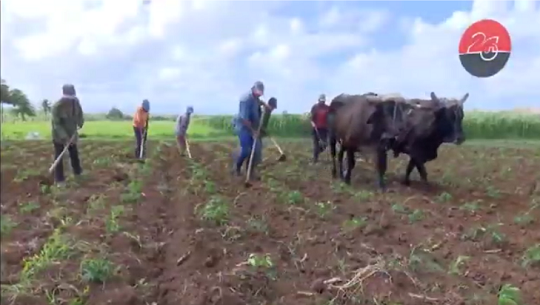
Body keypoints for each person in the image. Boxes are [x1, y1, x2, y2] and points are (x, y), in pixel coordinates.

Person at [50, 84, 84, 185]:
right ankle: (59, 179)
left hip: (72, 133)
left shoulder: (75, 102)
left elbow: (80, 114)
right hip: (59, 136)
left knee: (74, 154)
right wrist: (65, 137)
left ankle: (78, 173)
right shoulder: (57, 107)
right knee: (59, 156)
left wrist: (80, 123)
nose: (71, 100)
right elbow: (56, 124)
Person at [232, 81, 265, 179]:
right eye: (258, 92)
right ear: (253, 89)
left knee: (256, 150)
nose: (259, 95)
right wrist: (253, 131)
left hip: (252, 126)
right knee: (246, 150)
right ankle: (237, 168)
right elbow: (245, 120)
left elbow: (258, 101)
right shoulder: (245, 99)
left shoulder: (256, 97)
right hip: (243, 127)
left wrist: (265, 104)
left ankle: (250, 172)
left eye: (261, 93)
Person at [310, 93, 330, 163]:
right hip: (316, 129)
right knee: (316, 144)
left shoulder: (327, 108)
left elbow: (329, 118)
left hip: (324, 129)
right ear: (319, 100)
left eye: (323, 101)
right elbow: (312, 118)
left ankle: (316, 153)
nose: (322, 102)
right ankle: (315, 159)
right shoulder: (315, 107)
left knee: (324, 145)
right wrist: (312, 123)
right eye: (321, 100)